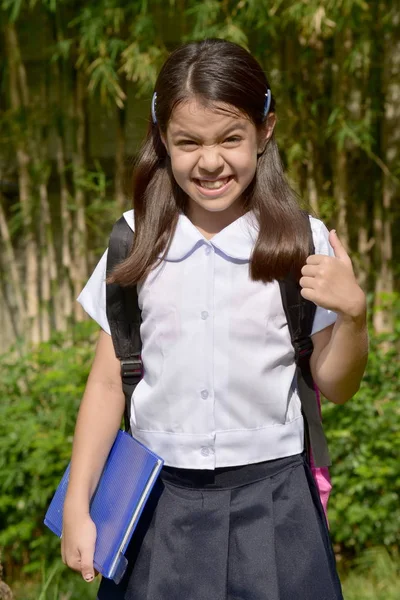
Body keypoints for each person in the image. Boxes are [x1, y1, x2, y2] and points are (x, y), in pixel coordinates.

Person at [61, 39, 368, 600]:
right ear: (162, 139)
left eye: (231, 138)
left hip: (275, 501)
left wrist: (353, 316)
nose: (210, 161)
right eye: (188, 142)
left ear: (265, 130)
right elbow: (108, 382)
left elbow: (338, 384)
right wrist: (79, 503)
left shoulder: (303, 240)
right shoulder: (134, 241)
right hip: (158, 506)